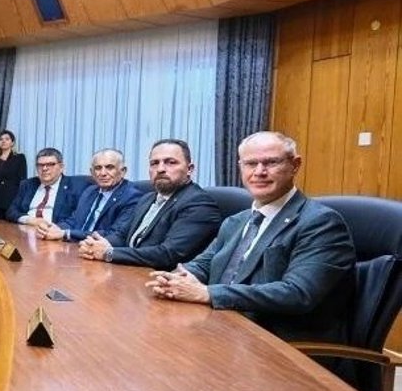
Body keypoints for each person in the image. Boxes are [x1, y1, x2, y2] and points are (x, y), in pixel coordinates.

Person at [146, 131, 355, 343]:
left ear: (295, 165)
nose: (259, 172)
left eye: (271, 162)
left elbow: (297, 293)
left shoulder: (321, 222)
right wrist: (179, 277)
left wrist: (208, 293)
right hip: (221, 327)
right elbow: (205, 263)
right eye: (250, 163)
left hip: (277, 342)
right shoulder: (236, 221)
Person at [78, 139, 221, 269]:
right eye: (154, 163)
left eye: (171, 162)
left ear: (190, 169)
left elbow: (168, 254)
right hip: (129, 272)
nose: (160, 169)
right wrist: (96, 245)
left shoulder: (199, 204)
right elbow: (122, 236)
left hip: (163, 281)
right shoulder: (147, 198)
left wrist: (109, 253)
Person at [36, 149, 141, 242]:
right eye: (98, 168)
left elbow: (114, 235)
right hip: (75, 246)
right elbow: (74, 221)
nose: (103, 173)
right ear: (92, 172)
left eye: (109, 167)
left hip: (98, 252)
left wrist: (66, 234)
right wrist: (52, 228)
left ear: (123, 171)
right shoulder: (90, 191)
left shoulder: (131, 197)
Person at [5, 147, 81, 226]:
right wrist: (28, 220)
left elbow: (77, 218)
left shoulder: (74, 187)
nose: (44, 168)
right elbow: (11, 211)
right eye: (40, 165)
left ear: (61, 167)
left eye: (50, 164)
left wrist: (54, 228)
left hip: (53, 230)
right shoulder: (28, 184)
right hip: (26, 228)